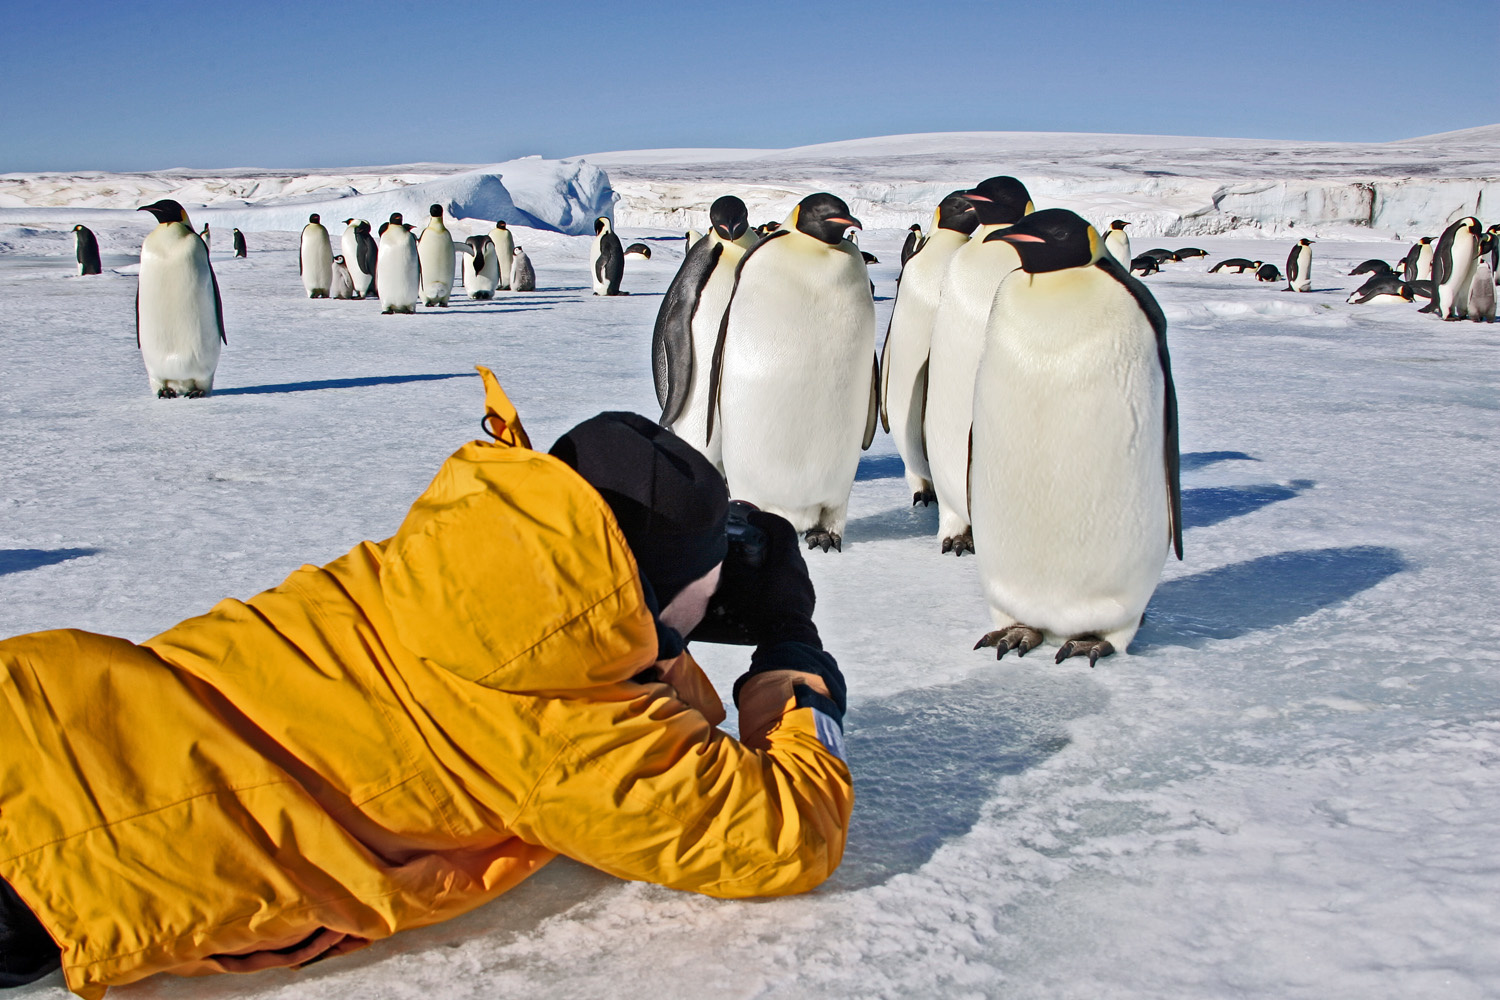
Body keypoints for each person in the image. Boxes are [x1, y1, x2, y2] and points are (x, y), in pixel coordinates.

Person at [0, 368, 851, 998]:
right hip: (73, 864)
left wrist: (660, 628)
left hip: (40, 702)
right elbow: (783, 836)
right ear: (651, 592)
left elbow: (582, 660)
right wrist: (789, 655)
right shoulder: (567, 732)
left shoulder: (433, 562)